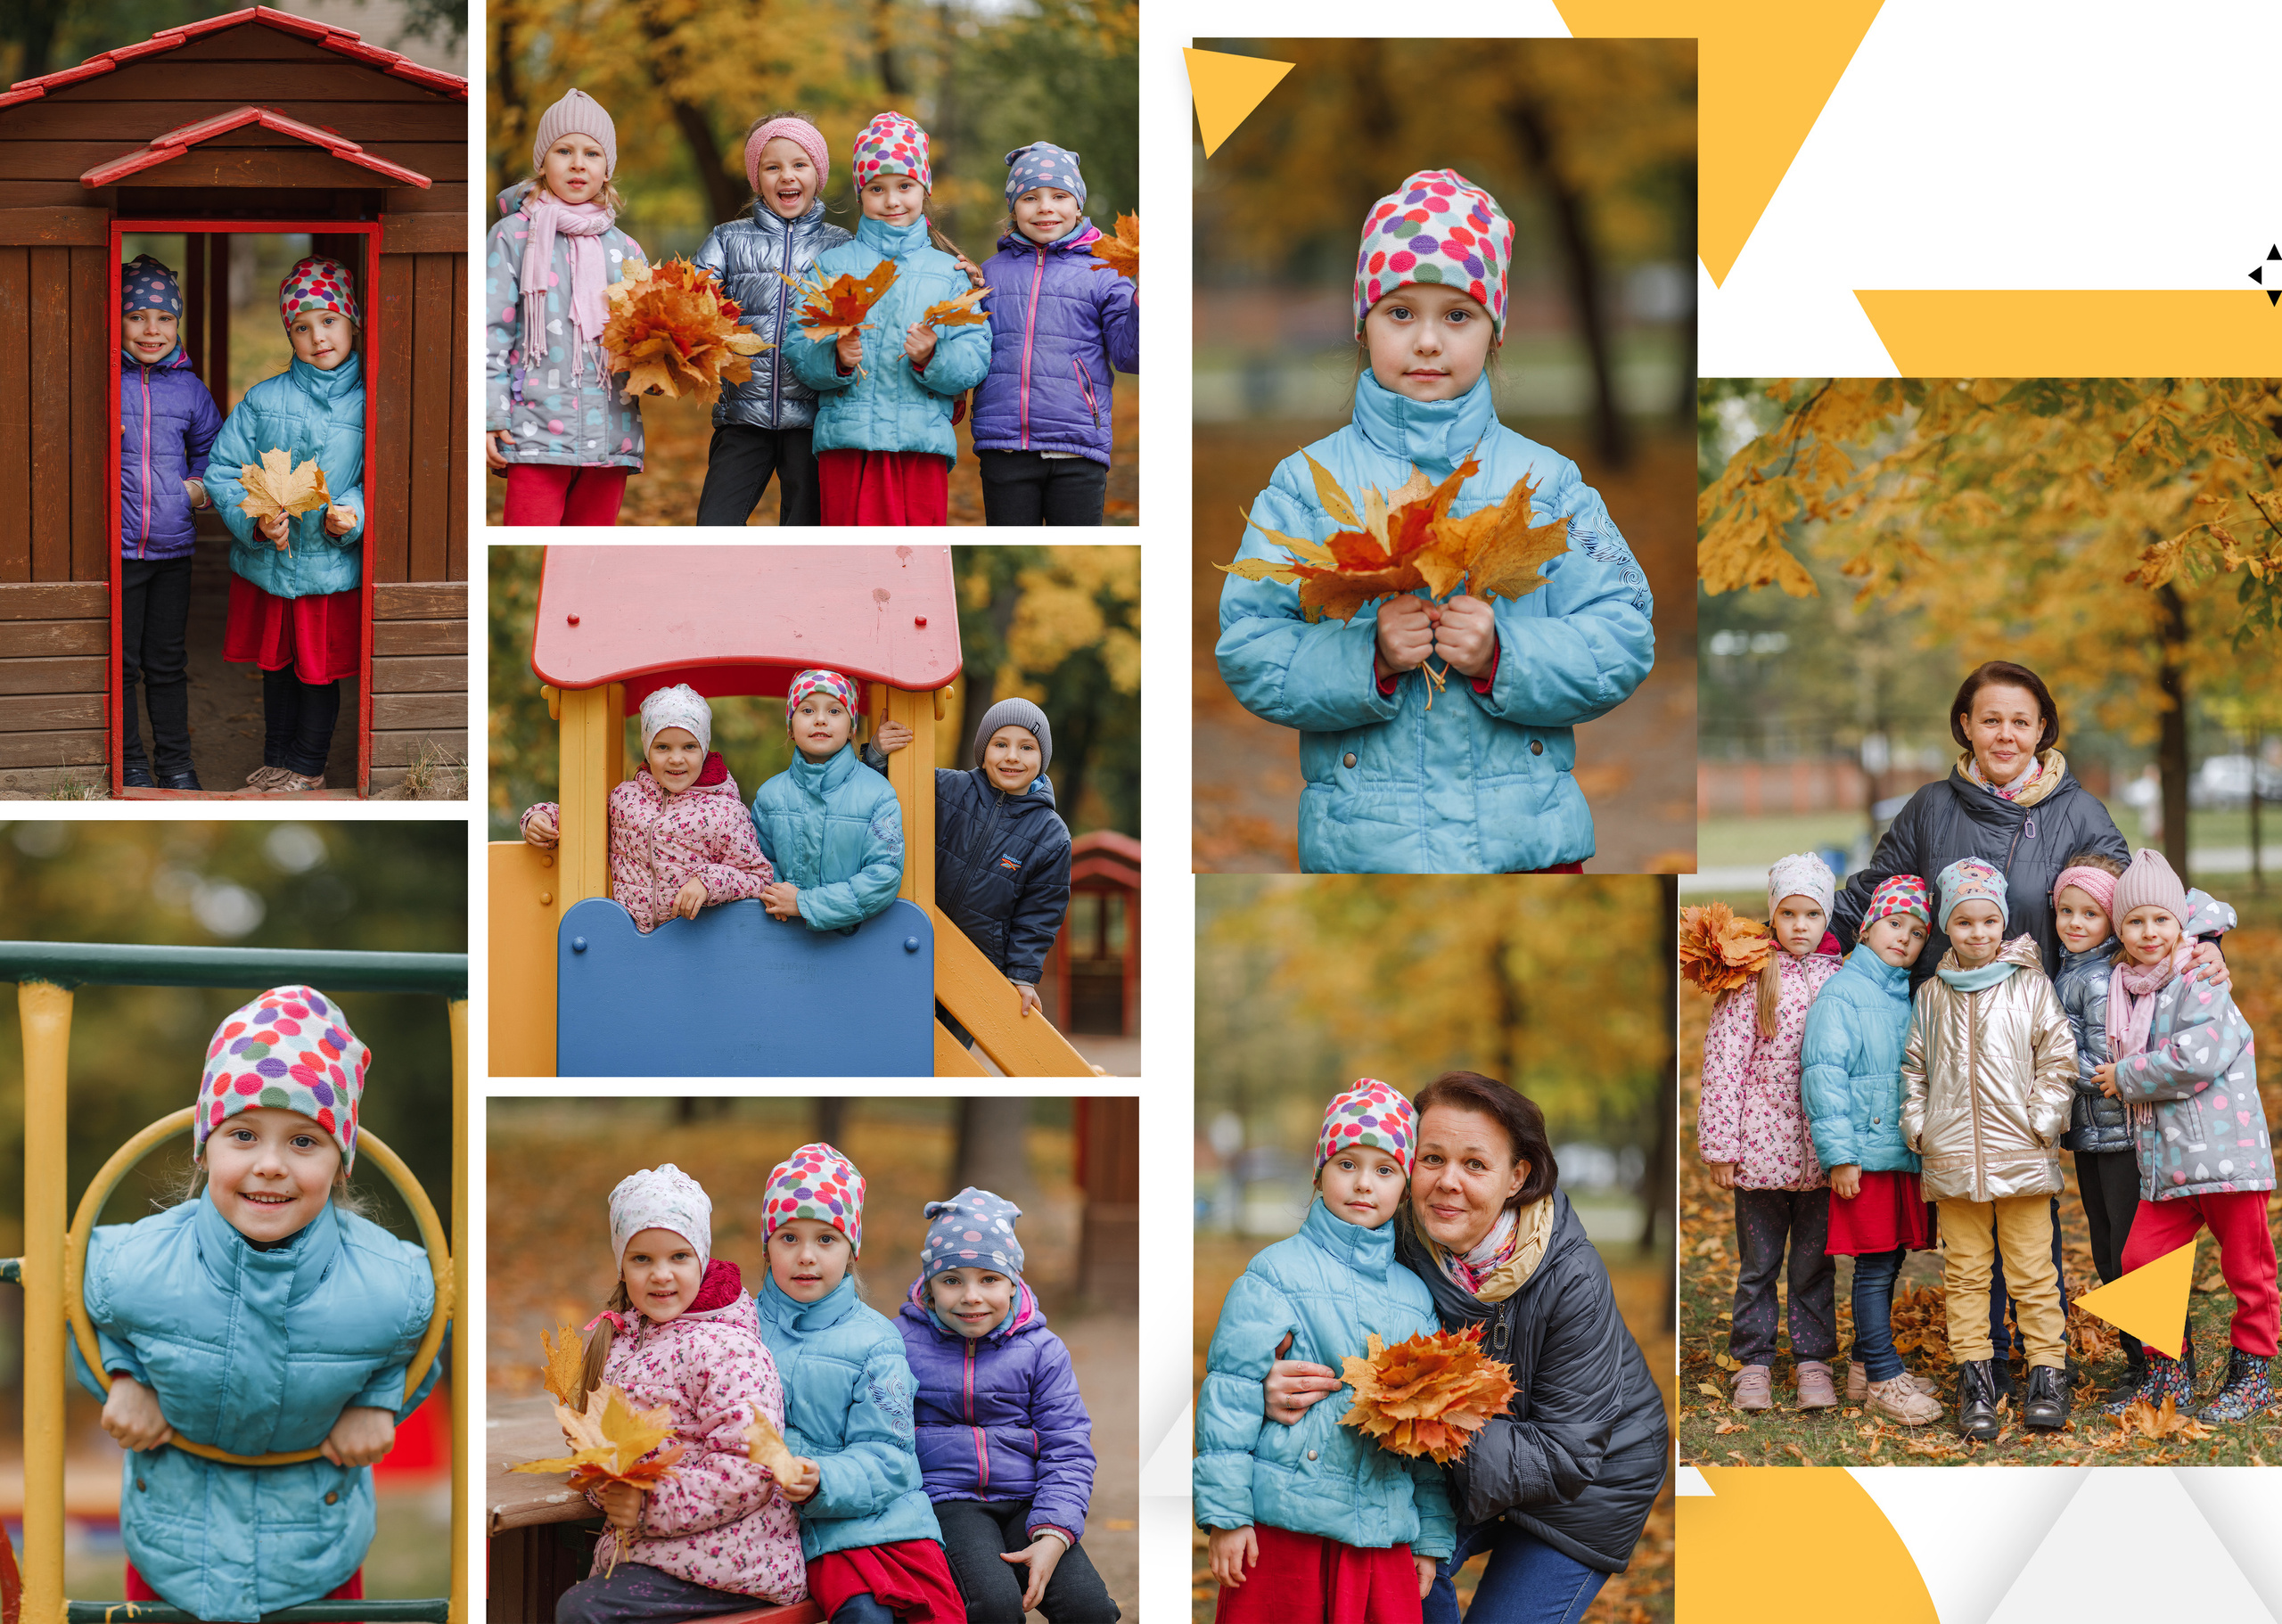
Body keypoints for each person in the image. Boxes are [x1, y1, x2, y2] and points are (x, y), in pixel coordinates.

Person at [1214, 168, 1654, 874]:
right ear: (1364, 324)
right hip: (1368, 847)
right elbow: (1250, 645)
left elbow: (1624, 628)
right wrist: (1369, 656)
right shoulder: (1305, 488)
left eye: (1457, 315)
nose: (1426, 341)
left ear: (1494, 332)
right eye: (1400, 313)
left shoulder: (1550, 485)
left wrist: (1506, 653)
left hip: (1527, 848)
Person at [70, 988, 438, 1619]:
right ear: (204, 1146)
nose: (270, 1165)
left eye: (304, 1142)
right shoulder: (136, 1262)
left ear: (342, 1161)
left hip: (316, 1551)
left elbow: (415, 1340)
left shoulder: (390, 1280)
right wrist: (121, 1377)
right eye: (243, 1134)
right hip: (172, 1546)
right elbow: (88, 1311)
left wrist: (379, 1402)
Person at [1261, 1073, 1669, 1624]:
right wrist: (1280, 1383)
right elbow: (1327, 1333)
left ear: (1516, 1176)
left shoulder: (1573, 1276)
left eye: (1475, 1165)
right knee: (1399, 1573)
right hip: (1464, 1463)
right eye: (1432, 1158)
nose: (1448, 1182)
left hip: (1588, 1481)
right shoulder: (1395, 1242)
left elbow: (1569, 1454)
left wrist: (1425, 1413)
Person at [1195, 1081, 1452, 1622]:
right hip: (1287, 1525)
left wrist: (1430, 1535)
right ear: (1318, 1173)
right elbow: (1230, 1394)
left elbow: (1431, 1428)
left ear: (1405, 1188)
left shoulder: (1415, 1297)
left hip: (1381, 1533)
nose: (1364, 1184)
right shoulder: (1275, 1273)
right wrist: (1226, 1515)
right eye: (1346, 1164)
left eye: (1385, 1170)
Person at [554, 1164, 806, 1621]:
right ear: (621, 1266)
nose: (661, 1275)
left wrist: (648, 1503)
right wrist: (605, 1487)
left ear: (702, 1259)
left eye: (679, 1257)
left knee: (582, 1610)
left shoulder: (727, 1349)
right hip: (647, 1557)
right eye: (642, 1259)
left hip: (732, 1562)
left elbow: (751, 1467)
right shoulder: (618, 1343)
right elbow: (600, 1452)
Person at [1901, 857, 2077, 1439]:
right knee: (1968, 1275)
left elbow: (2057, 1058)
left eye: (1987, 921)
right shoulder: (1931, 996)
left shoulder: (2029, 985)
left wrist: (2043, 1123)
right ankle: (1976, 1381)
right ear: (1946, 929)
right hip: (1952, 1158)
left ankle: (2048, 1377)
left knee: (2032, 1273)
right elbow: (1915, 1069)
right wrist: (1919, 1126)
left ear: (2002, 922)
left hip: (2021, 1155)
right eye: (1963, 923)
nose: (1977, 933)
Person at [752, 1144, 964, 1623]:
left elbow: (890, 1455)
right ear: (766, 1244)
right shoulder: (738, 1331)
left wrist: (823, 1479)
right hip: (785, 1529)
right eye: (789, 1238)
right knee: (864, 1615)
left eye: (826, 1240)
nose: (806, 1256)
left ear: (852, 1249)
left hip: (886, 1524)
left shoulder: (875, 1341)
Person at [2100, 849, 2277, 1422]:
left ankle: (2253, 1372)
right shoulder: (2128, 986)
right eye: (2135, 921)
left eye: (2161, 920)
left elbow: (2198, 1056)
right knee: (2142, 1258)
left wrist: (2126, 1076)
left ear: (2180, 922)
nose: (2149, 932)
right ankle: (2167, 1370)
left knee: (2246, 1268)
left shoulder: (2198, 974)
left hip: (2225, 1153)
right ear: (2119, 928)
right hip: (2169, 1158)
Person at [895, 1187, 1119, 1622]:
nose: (971, 1296)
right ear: (929, 1287)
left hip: (1028, 1501)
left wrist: (1053, 1534)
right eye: (952, 1280)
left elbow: (1068, 1445)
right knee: (994, 1606)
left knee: (1088, 1607)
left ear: (1014, 1282)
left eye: (989, 1279)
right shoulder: (900, 1343)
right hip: (948, 1500)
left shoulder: (1041, 1350)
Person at [202, 257, 367, 791]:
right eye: (302, 326)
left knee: (316, 670)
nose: (317, 336)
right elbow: (224, 470)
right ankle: (276, 757)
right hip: (269, 559)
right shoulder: (263, 399)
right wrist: (254, 522)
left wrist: (355, 515)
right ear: (289, 335)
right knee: (274, 666)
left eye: (329, 321)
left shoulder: (374, 402)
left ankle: (308, 765)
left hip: (327, 563)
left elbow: (383, 480)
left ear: (353, 322)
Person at [784, 112, 992, 525]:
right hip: (848, 442)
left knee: (910, 556)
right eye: (877, 188)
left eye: (904, 186)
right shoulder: (833, 266)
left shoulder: (948, 273)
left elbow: (975, 355)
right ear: (861, 195)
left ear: (923, 190)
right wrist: (837, 358)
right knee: (847, 560)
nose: (892, 200)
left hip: (920, 446)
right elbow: (798, 343)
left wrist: (933, 356)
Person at [1695, 854, 1844, 1411]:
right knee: (1758, 1265)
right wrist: (1721, 1147)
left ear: (1826, 917)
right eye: (1788, 914)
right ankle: (1753, 1362)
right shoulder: (1753, 977)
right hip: (1760, 1157)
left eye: (1811, 914)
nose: (1800, 925)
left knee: (1814, 1265)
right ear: (1772, 916)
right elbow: (1724, 1065)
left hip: (1822, 1155)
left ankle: (1812, 1362)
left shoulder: (1841, 978)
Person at [1799, 874, 1941, 1425]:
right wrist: (1840, 1155)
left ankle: (1865, 1366)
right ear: (1867, 926)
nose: (1903, 938)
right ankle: (1883, 1376)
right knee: (1875, 1267)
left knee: (1894, 1256)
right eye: (1894, 924)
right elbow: (1824, 1075)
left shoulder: (1902, 991)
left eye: (1915, 931)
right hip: (1865, 1155)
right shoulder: (1843, 993)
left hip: (1899, 1149)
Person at [485, 88, 648, 525]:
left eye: (592, 153)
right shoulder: (513, 237)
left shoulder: (626, 250)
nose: (578, 163)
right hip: (533, 428)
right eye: (564, 150)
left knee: (587, 558)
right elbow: (491, 330)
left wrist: (658, 369)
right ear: (543, 162)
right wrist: (491, 414)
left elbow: (645, 334)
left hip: (612, 433)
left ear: (606, 169)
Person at [868, 697, 1072, 1035]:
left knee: (944, 1060)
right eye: (1000, 744)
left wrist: (1022, 975)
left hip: (974, 969)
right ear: (983, 749)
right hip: (905, 942)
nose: (1012, 756)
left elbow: (1039, 915)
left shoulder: (1051, 835)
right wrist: (877, 754)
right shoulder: (946, 788)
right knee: (884, 1039)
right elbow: (879, 793)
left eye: (1027, 747)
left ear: (1043, 758)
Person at [691, 114, 853, 525]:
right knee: (715, 524)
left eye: (800, 164)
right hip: (742, 414)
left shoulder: (843, 246)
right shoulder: (728, 239)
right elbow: (688, 300)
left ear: (818, 173)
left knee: (804, 534)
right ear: (756, 177)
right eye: (772, 166)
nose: (787, 176)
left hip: (815, 419)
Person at [971, 143, 1137, 525]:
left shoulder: (1106, 272)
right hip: (1005, 446)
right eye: (1030, 197)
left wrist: (1143, 302)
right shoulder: (989, 274)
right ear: (1013, 209)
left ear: (1078, 205)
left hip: (1078, 449)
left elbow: (1132, 357)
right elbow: (969, 350)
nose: (1045, 207)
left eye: (1059, 196)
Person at [520, 685, 774, 934]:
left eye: (689, 746)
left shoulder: (725, 813)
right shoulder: (625, 800)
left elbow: (759, 878)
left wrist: (709, 882)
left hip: (695, 944)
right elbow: (582, 818)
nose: (676, 758)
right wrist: (541, 817)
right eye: (663, 747)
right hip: (628, 940)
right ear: (647, 750)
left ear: (704, 749)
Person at [116, 253, 221, 790]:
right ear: (118, 320)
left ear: (177, 324)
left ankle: (176, 765)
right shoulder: (104, 385)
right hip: (119, 552)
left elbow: (213, 454)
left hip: (173, 548)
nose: (150, 329)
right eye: (136, 316)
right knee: (123, 661)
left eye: (163, 318)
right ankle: (131, 762)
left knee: (166, 663)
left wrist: (193, 492)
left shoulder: (190, 390)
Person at [2048, 850, 2142, 1401]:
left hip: (2122, 1136)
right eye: (2066, 910)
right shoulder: (2073, 968)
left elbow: (2106, 1062)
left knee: (2130, 1252)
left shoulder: (2103, 976)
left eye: (2090, 913)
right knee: (2108, 1250)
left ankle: (2161, 1362)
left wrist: (2050, 1060)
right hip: (2090, 1134)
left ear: (2110, 920)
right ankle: (2142, 1360)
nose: (2075, 923)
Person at [749, 668, 905, 931]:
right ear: (790, 727)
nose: (820, 720)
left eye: (834, 711)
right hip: (781, 938)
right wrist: (778, 896)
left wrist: (805, 903)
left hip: (857, 944)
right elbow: (757, 862)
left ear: (851, 728)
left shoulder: (877, 793)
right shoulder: (770, 796)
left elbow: (884, 876)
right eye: (807, 711)